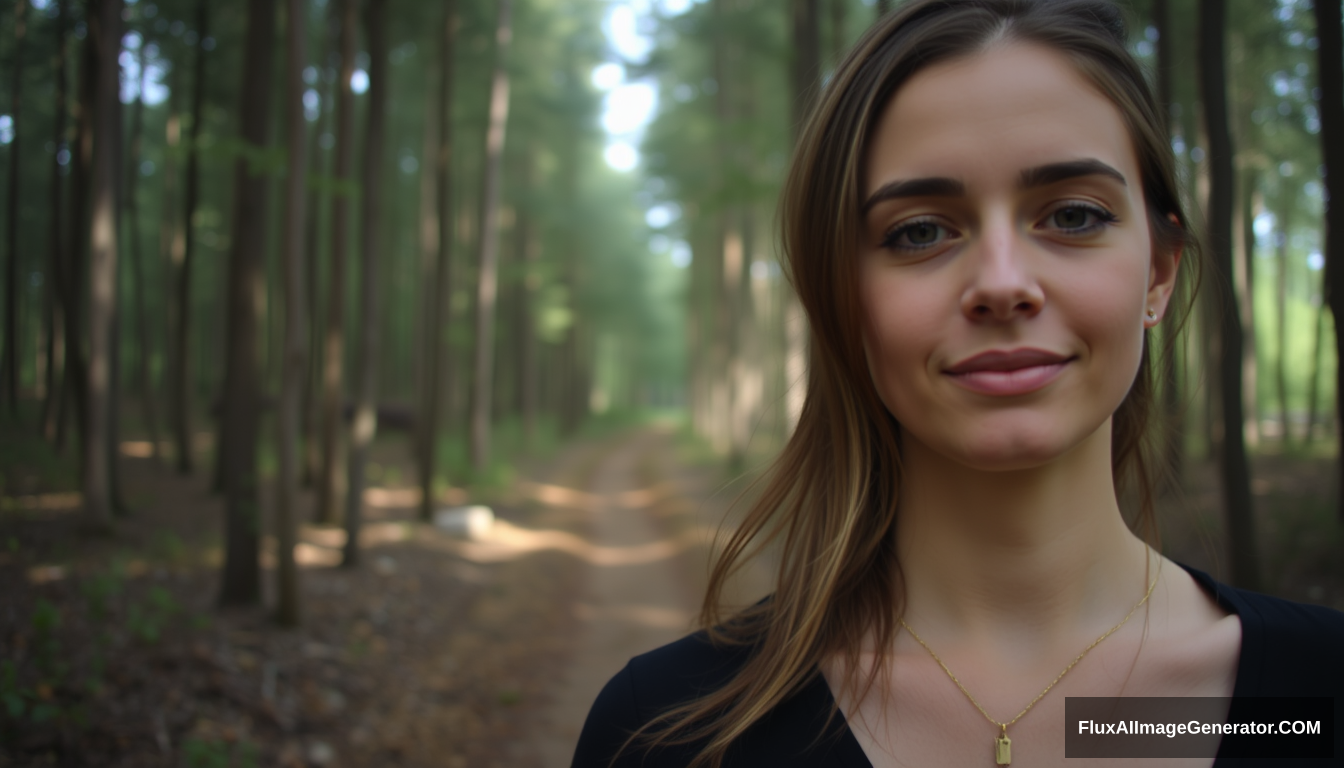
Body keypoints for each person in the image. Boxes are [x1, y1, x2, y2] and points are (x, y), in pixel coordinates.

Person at [572, 1, 1344, 766]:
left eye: (1073, 216)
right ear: (844, 300)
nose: (1003, 285)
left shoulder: (1316, 701)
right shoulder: (665, 732)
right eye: (920, 231)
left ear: (1158, 273)